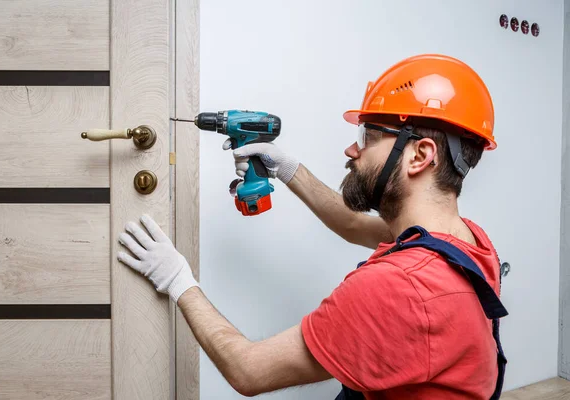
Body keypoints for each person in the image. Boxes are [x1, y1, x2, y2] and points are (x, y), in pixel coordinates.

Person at [117, 54, 507, 399]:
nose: (352, 150)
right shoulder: (466, 242)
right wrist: (287, 168)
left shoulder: (396, 288)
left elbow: (248, 370)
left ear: (420, 155)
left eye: (367, 136)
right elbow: (355, 225)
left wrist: (178, 280)